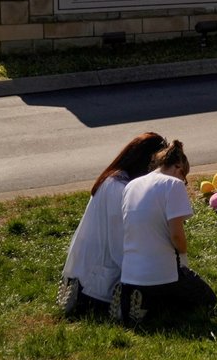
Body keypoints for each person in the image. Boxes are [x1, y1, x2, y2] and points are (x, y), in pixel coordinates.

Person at [58, 131, 168, 317]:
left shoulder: (114, 179)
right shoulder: (119, 188)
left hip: (88, 271)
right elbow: (122, 243)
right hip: (97, 284)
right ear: (147, 162)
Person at [112, 139, 217, 326]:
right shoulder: (172, 185)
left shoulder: (131, 185)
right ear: (178, 167)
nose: (183, 182)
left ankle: (131, 298)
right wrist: (184, 257)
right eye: (184, 178)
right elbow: (176, 235)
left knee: (155, 292)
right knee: (207, 299)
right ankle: (152, 301)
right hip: (162, 271)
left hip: (129, 270)